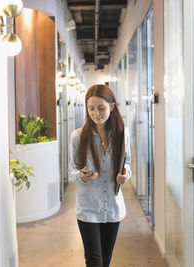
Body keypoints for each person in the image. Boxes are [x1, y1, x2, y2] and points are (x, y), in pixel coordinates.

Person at [68, 84, 132, 267]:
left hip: (113, 208)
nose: (96, 113)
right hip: (88, 208)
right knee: (95, 261)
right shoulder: (77, 136)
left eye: (101, 108)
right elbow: (71, 170)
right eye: (91, 108)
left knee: (105, 260)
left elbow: (128, 163)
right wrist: (81, 176)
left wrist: (125, 175)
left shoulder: (123, 134)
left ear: (112, 106)